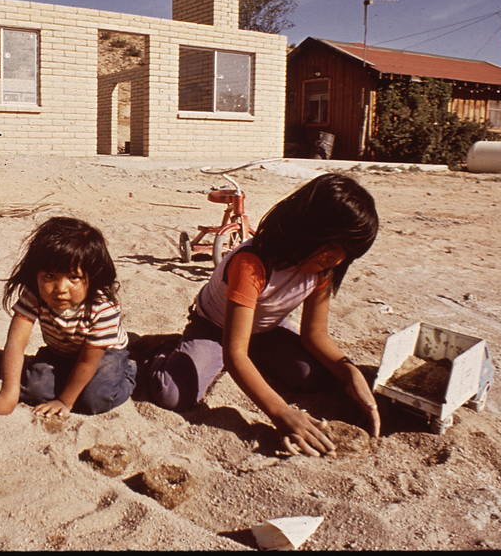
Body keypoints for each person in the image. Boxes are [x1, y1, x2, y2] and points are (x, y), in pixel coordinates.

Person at [142, 173, 380, 456]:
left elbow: (315, 334)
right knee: (173, 393)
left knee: (312, 376)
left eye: (347, 251)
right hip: (214, 328)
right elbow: (235, 354)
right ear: (308, 228)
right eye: (332, 245)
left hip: (263, 331)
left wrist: (349, 370)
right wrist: (281, 413)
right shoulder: (252, 263)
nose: (337, 258)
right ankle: (162, 349)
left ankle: (252, 358)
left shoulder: (323, 269)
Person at [0, 217, 136, 417]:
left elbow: (87, 362)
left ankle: (130, 371)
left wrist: (64, 401)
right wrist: (9, 392)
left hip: (104, 356)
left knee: (95, 399)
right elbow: (16, 342)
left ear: (91, 277)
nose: (60, 289)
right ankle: (69, 379)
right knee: (34, 390)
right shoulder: (35, 294)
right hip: (61, 352)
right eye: (50, 276)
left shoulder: (102, 308)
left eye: (73, 278)